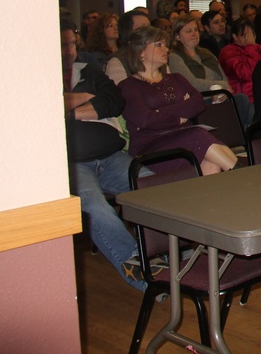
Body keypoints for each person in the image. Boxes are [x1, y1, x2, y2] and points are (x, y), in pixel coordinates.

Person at [61, 19, 146, 291]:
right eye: (63, 46)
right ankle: (144, 272)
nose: (70, 51)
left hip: (112, 157)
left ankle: (177, 255)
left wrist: (69, 107)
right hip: (74, 167)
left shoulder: (87, 70)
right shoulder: (33, 81)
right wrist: (89, 101)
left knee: (157, 188)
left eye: (73, 43)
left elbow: (115, 101)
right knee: (95, 209)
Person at [118, 26, 238, 174]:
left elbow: (198, 103)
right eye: (158, 45)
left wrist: (160, 112)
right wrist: (180, 114)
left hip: (183, 137)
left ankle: (237, 180)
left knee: (211, 166)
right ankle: (244, 176)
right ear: (141, 52)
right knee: (197, 135)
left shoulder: (175, 78)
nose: (166, 49)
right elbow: (145, 119)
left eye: (165, 45)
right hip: (151, 145)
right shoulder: (128, 86)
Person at [167, 17, 231, 92]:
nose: (194, 34)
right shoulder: (174, 56)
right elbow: (191, 84)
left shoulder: (207, 53)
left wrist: (223, 89)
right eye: (189, 31)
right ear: (177, 36)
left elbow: (225, 80)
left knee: (241, 98)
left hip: (220, 95)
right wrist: (222, 86)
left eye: (196, 30)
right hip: (198, 99)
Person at [218, 18, 261, 106]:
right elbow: (245, 74)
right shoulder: (227, 52)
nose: (249, 38)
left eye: (251, 34)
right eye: (244, 35)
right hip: (244, 100)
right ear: (235, 37)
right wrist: (251, 47)